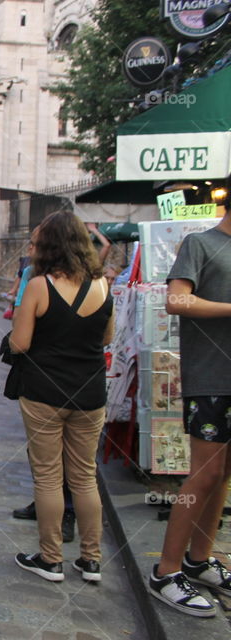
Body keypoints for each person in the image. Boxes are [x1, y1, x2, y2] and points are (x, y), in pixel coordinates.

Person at [9, 210, 114, 584]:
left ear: (49, 246)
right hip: (90, 391)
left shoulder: (39, 286)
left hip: (44, 392)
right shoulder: (103, 286)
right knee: (85, 477)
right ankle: (91, 560)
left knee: (49, 477)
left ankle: (51, 558)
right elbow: (105, 339)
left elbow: (20, 343)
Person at [148, 203, 231, 617]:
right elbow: (177, 301)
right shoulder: (201, 244)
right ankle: (167, 569)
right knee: (206, 472)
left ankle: (200, 559)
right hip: (212, 376)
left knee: (223, 474)